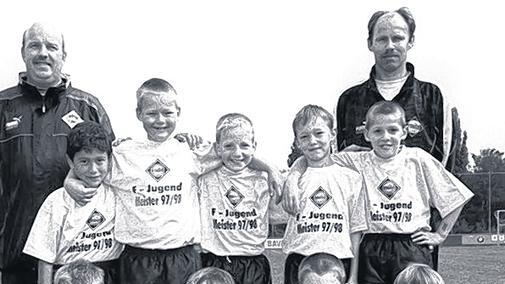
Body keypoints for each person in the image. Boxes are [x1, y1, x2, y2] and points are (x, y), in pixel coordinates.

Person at [65, 78, 279, 284]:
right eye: (151, 113)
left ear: (178, 112)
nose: (160, 120)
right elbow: (92, 166)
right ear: (138, 114)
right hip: (138, 259)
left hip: (182, 258)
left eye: (167, 113)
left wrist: (270, 168)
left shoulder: (191, 151)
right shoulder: (123, 153)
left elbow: (236, 153)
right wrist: (70, 180)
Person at [286, 101, 473, 284]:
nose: (386, 137)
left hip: (409, 245)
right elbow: (313, 156)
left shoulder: (417, 159)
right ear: (367, 134)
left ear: (404, 132)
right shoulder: (357, 160)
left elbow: (456, 197)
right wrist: (293, 177)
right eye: (378, 131)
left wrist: (440, 235)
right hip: (371, 246)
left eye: (392, 130)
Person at [0, 23, 114, 284]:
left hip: (77, 258)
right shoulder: (3, 106)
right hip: (13, 250)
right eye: (35, 46)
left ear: (63, 55)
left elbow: (114, 168)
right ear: (23, 52)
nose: (43, 53)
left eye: (51, 47)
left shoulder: (88, 106)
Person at [23, 122, 122, 284]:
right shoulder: (56, 201)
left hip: (109, 275)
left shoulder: (117, 193)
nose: (93, 169)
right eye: (84, 162)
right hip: (68, 276)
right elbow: (44, 256)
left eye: (99, 160)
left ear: (109, 160)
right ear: (70, 162)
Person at [282, 105, 366, 284]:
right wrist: (291, 178)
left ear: (332, 135)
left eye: (319, 133)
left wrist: (353, 276)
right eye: (304, 136)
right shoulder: (291, 181)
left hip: (339, 260)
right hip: (299, 260)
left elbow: (356, 231)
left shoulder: (351, 178)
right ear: (297, 142)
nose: (312, 141)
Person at [197, 113, 275, 284]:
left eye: (244, 145)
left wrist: (271, 169)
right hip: (215, 262)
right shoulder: (204, 177)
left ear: (254, 146)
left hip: (253, 265)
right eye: (229, 146)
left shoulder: (264, 179)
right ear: (217, 148)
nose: (237, 153)